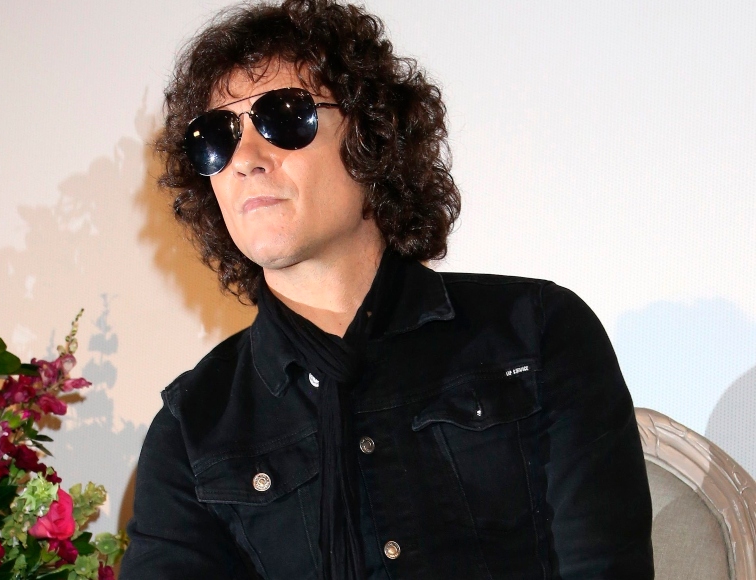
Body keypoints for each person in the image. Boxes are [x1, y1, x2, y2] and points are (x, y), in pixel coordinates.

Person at [120, 0, 654, 578]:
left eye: (283, 117)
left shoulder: (537, 335)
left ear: (371, 137)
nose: (245, 159)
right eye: (216, 138)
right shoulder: (193, 429)